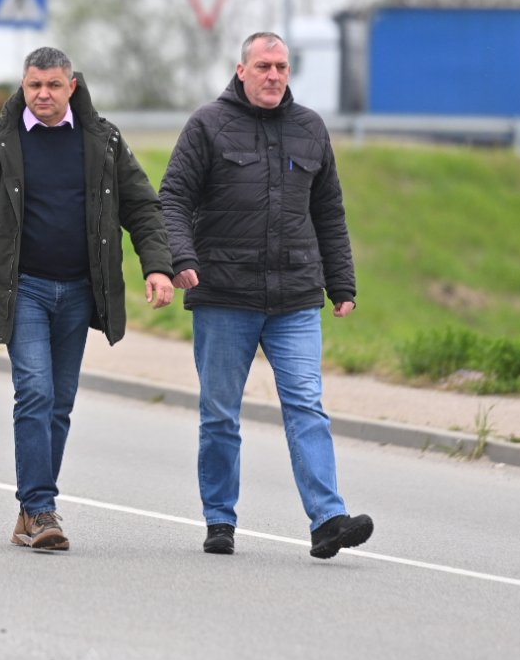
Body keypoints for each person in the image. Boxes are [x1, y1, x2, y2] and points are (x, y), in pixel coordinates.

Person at [0, 46, 175, 552]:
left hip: (78, 291)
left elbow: (142, 206)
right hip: (19, 287)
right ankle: (41, 506)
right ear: (22, 87)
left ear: (72, 86)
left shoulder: (103, 140)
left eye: (52, 85)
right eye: (33, 85)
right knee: (36, 393)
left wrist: (158, 265)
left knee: (60, 404)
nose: (42, 94)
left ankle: (31, 513)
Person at [158, 31, 373, 559]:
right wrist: (181, 259)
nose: (273, 75)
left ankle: (328, 520)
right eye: (263, 66)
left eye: (281, 66)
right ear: (241, 70)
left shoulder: (310, 129)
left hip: (295, 297)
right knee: (220, 413)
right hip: (225, 298)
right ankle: (220, 520)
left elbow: (329, 213)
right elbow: (173, 199)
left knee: (306, 406)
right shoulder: (208, 125)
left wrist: (341, 282)